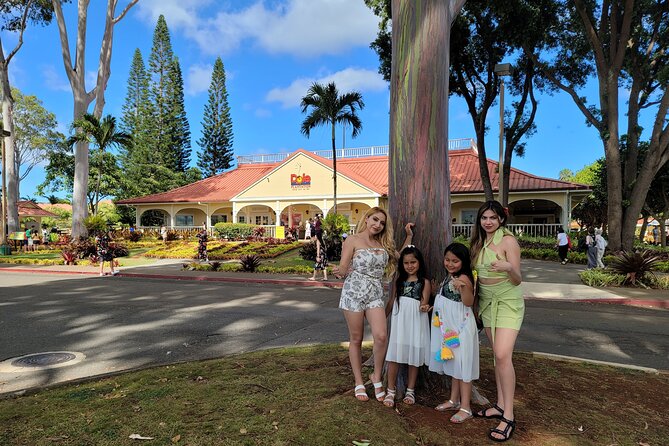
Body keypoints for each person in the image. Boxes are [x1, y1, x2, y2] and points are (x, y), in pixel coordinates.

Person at [332, 207, 402, 403]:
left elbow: (401, 256)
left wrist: (410, 236)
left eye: (381, 223)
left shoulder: (383, 244)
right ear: (367, 218)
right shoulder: (352, 240)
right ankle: (359, 382)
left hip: (375, 293)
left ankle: (376, 376)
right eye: (375, 219)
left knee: (381, 336)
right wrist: (339, 271)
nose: (377, 225)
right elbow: (344, 266)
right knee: (356, 338)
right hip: (354, 291)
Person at [469, 200, 523, 442]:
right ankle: (500, 404)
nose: (488, 222)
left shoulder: (508, 241)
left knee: (502, 355)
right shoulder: (480, 242)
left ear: (501, 219)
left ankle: (508, 416)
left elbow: (517, 279)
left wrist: (509, 267)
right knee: (496, 356)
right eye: (484, 218)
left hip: (508, 301)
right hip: (487, 303)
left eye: (492, 217)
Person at [429, 242, 479, 423]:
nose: (450, 264)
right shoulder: (449, 276)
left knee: (463, 367)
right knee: (455, 366)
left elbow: (468, 302)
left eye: (455, 261)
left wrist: (463, 288)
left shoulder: (464, 278)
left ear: (463, 262)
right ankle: (453, 399)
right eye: (447, 260)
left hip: (461, 328)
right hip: (448, 328)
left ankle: (466, 407)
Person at [383, 244, 431, 408]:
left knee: (413, 356)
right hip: (399, 321)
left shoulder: (424, 282)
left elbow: (424, 303)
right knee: (394, 355)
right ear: (402, 265)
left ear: (419, 263)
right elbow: (391, 301)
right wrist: (382, 318)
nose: (410, 266)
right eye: (406, 263)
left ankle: (410, 389)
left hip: (416, 321)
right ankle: (390, 390)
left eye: (413, 262)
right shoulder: (399, 281)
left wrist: (425, 307)